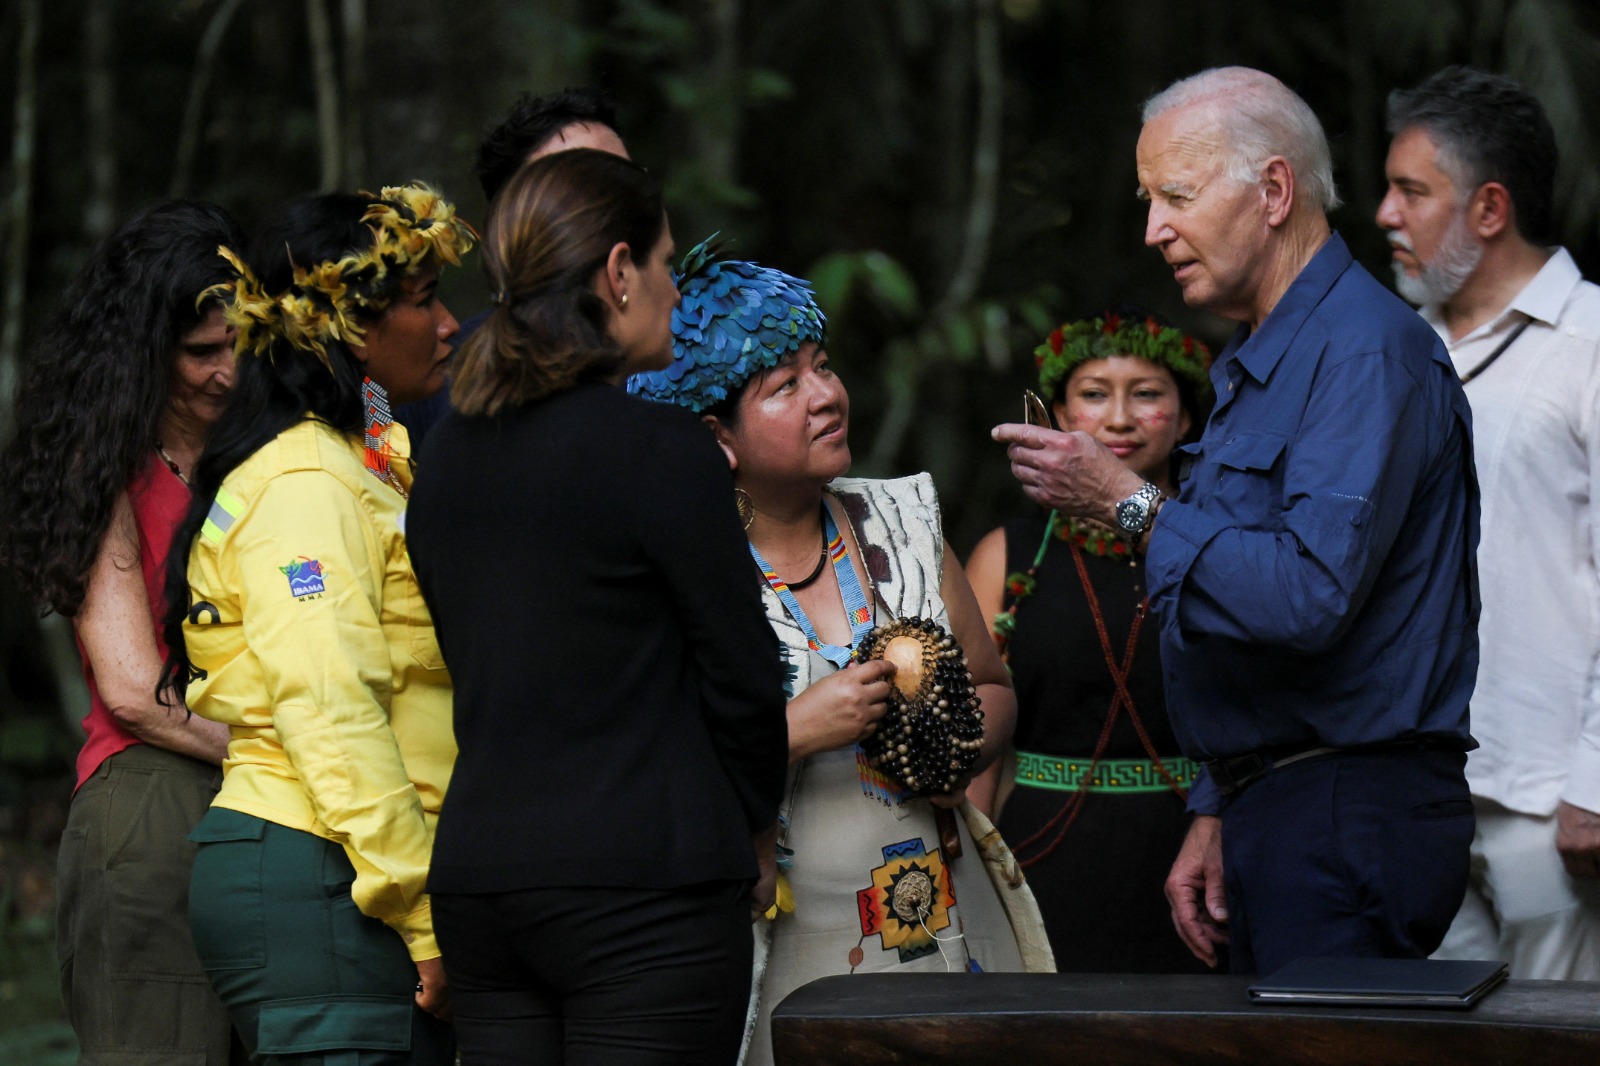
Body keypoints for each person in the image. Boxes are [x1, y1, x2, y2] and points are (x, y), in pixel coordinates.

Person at [994, 66, 1480, 976]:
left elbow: (1305, 597)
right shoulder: (1260, 356)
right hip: (1280, 799)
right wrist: (1220, 802)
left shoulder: (1363, 352)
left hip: (1346, 804)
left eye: (1175, 195)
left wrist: (1130, 503)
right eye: (1148, 201)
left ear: (1273, 190)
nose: (1153, 230)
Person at [404, 150, 788, 1065]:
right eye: (662, 265)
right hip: (644, 881)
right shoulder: (659, 448)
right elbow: (739, 673)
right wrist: (750, 827)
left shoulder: (444, 456)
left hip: (485, 878)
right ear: (618, 272)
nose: (674, 293)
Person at [631, 243, 1048, 1066]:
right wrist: (790, 731)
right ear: (716, 435)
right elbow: (646, 772)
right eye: (785, 387)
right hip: (783, 949)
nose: (827, 396)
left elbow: (995, 688)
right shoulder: (674, 568)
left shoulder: (902, 520)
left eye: (822, 367)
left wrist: (950, 736)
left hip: (942, 930)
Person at [160, 183, 477, 1063]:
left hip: (352, 872)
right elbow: (330, 708)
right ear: (347, 331)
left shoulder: (364, 455)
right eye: (422, 302)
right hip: (325, 875)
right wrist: (421, 916)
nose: (451, 324)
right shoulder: (306, 485)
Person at [0, 201, 244, 1063]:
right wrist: (299, 753)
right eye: (201, 353)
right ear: (145, 353)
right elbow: (136, 691)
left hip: (261, 805)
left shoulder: (265, 453)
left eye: (240, 343)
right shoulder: (103, 467)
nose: (229, 371)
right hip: (152, 803)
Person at [1378, 66, 1600, 980]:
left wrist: (1595, 783)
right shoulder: (1398, 355)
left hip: (1550, 804)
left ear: (1489, 207)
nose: (1385, 214)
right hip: (1415, 790)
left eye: (1411, 191)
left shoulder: (1590, 346)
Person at [966, 310, 1214, 974]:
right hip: (1045, 854)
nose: (1120, 417)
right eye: (1095, 393)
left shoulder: (1218, 551)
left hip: (1198, 846)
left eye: (1149, 393)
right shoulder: (1009, 554)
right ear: (1058, 415)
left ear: (1187, 418)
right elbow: (976, 732)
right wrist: (964, 874)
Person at [396, 86, 628, 442]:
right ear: (512, 227)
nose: (617, 204)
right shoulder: (435, 372)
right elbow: (381, 481)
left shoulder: (708, 340)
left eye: (627, 181)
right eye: (582, 192)